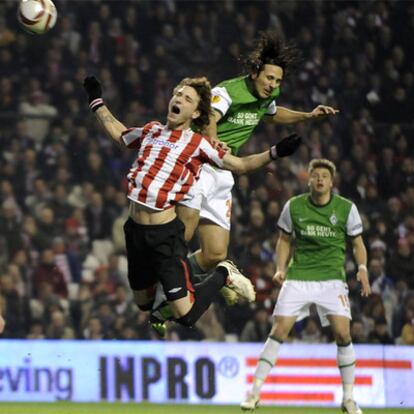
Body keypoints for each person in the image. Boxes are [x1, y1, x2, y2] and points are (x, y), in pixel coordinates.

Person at [150, 31, 338, 330]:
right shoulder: (230, 91)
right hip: (200, 165)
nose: (273, 85)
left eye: (278, 81)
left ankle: (168, 291)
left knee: (215, 254)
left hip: (223, 172)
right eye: (269, 78)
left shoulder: (268, 96)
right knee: (181, 238)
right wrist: (212, 143)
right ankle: (165, 296)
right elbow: (210, 116)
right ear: (254, 73)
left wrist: (308, 116)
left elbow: (273, 115)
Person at [83, 75, 301, 329]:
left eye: (187, 98)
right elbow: (121, 135)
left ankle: (223, 273)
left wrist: (275, 152)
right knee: (144, 303)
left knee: (185, 316)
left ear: (196, 112)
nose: (179, 99)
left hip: (165, 237)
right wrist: (96, 101)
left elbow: (240, 165)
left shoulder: (200, 145)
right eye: (178, 94)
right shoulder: (152, 131)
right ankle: (176, 288)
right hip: (135, 231)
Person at [240, 158, 371, 414]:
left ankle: (348, 398)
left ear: (332, 182)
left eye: (325, 176)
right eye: (315, 175)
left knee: (343, 334)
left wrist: (363, 269)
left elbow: (358, 243)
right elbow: (284, 240)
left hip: (332, 279)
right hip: (299, 276)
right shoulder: (294, 206)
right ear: (308, 179)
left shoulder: (346, 208)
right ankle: (254, 392)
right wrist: (280, 267)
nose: (320, 179)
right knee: (279, 330)